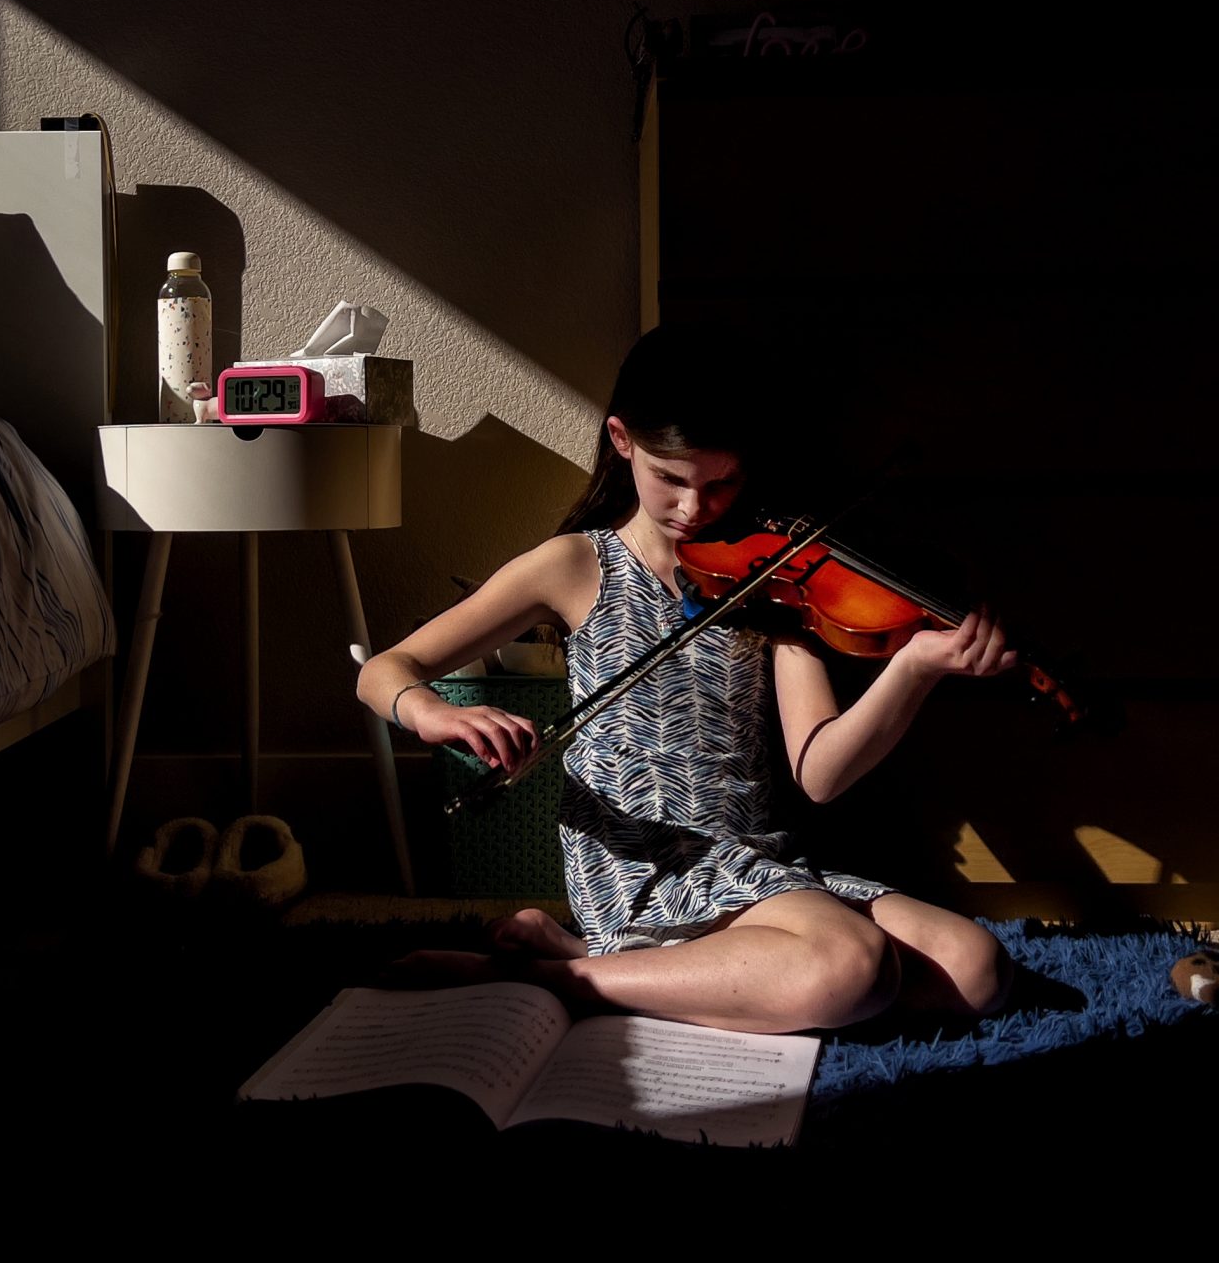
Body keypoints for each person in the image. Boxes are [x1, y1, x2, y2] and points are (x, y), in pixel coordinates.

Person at [354, 323, 1024, 1035]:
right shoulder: (577, 566)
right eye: (671, 479)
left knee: (977, 971)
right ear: (622, 441)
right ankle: (549, 978)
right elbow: (386, 671)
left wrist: (914, 667)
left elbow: (821, 775)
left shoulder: (770, 579)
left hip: (757, 861)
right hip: (644, 864)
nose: (694, 509)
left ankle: (609, 966)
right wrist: (433, 713)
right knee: (852, 967)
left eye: (720, 483)